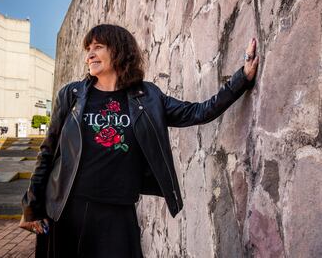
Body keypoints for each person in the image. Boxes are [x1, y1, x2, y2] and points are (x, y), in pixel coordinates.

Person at [20, 24, 259, 257]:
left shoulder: (147, 96)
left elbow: (198, 112)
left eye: (98, 47)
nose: (89, 55)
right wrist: (31, 206)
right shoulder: (71, 95)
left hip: (117, 212)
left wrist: (242, 79)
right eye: (87, 49)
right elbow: (48, 152)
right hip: (67, 208)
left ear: (119, 51)